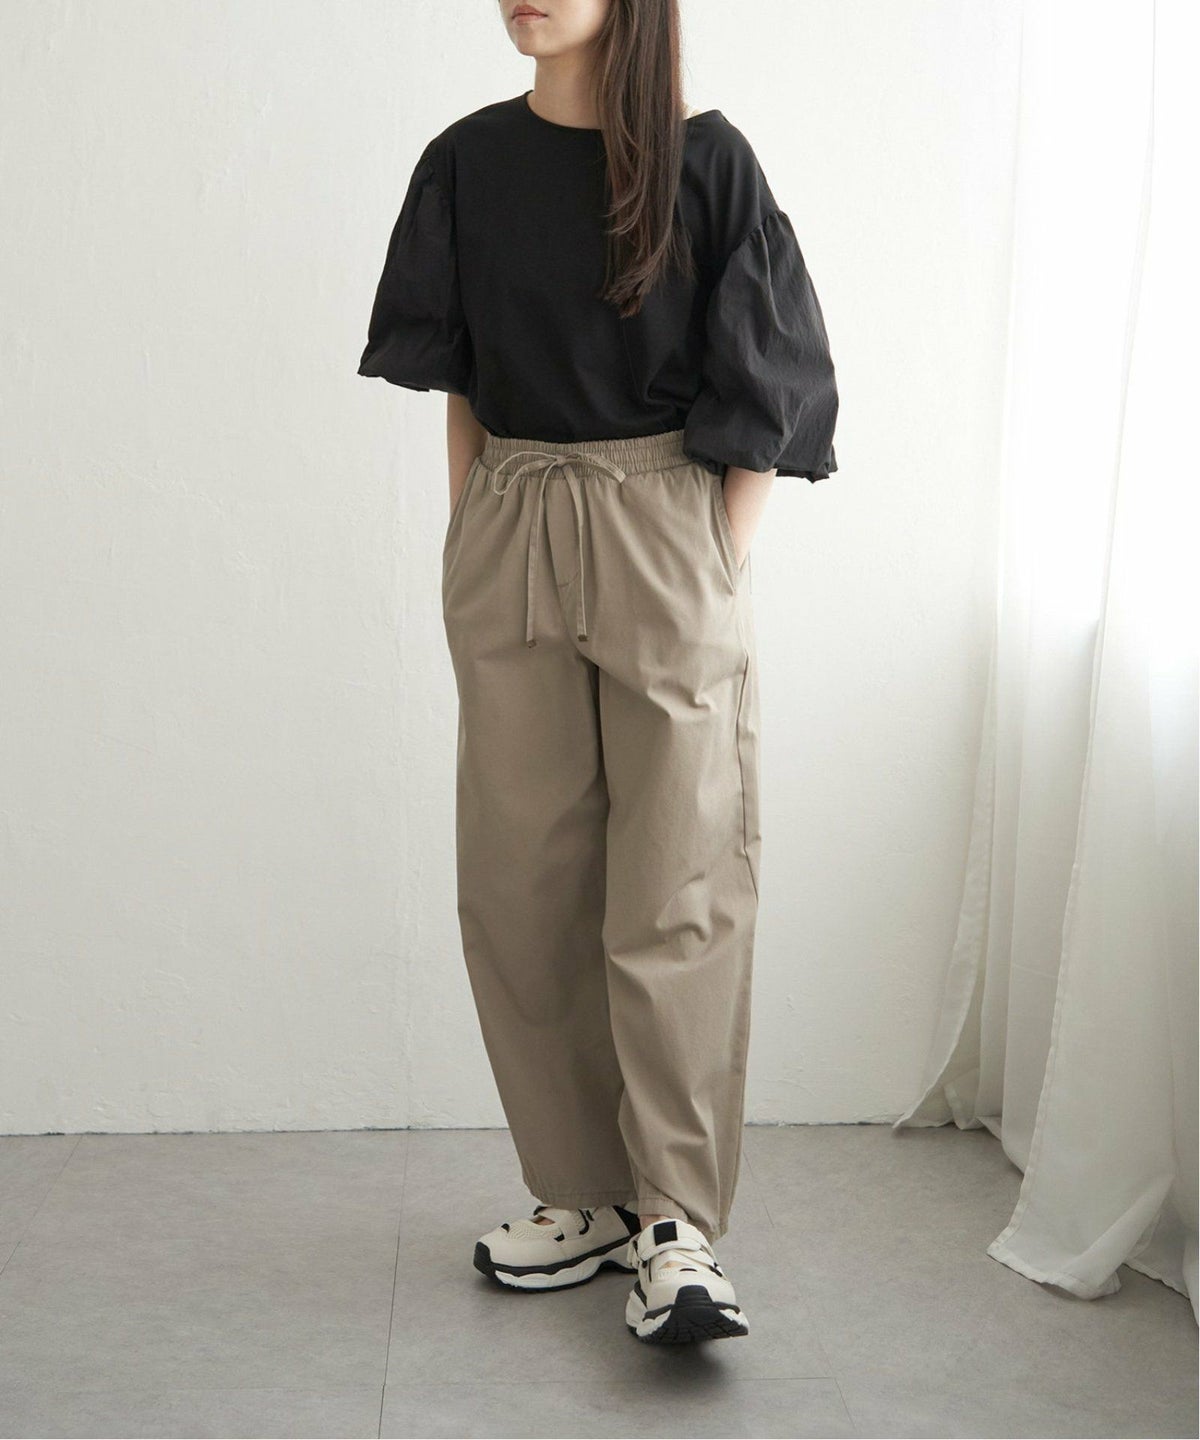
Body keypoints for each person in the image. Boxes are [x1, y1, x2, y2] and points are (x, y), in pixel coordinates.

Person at [356, 0, 838, 1346]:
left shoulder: (708, 161)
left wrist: (715, 556)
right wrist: (474, 526)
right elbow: (458, 373)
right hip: (512, 521)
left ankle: (675, 1221)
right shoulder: (466, 161)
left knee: (679, 879)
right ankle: (583, 1193)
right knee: (523, 881)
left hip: (665, 524)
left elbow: (774, 380)